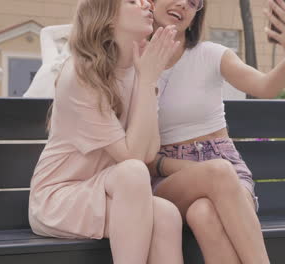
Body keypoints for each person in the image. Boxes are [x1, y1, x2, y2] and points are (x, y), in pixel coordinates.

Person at [28, 0, 184, 263]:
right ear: (108, 17)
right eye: (133, 1)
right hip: (59, 197)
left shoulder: (139, 70)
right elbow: (132, 158)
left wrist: (148, 80)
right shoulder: (81, 73)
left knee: (167, 214)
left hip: (108, 188)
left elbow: (147, 152)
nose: (147, 4)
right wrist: (147, 79)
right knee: (133, 172)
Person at [148, 0, 285, 263]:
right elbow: (140, 152)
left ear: (197, 13)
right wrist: (192, 169)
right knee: (218, 172)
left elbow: (265, 87)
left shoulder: (210, 54)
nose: (183, 5)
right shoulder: (132, 64)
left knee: (204, 213)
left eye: (193, 2)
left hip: (225, 164)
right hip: (167, 177)